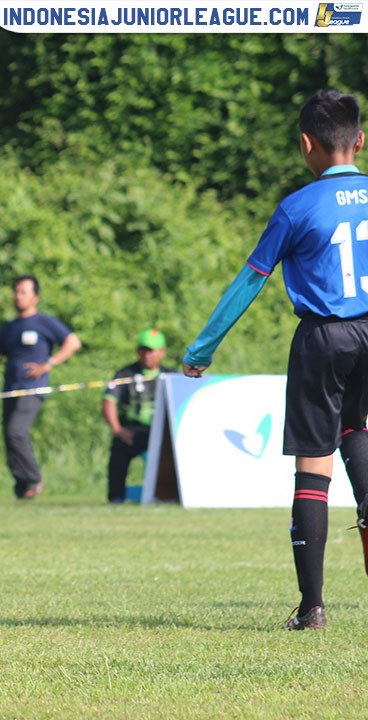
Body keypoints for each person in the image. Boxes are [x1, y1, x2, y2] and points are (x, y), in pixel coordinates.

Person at [183, 88, 368, 631]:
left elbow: (249, 283)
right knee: (358, 432)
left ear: (307, 145)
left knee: (313, 468)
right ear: (360, 141)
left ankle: (312, 608)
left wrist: (201, 349)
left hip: (323, 339)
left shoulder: (297, 207)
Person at [0, 275, 81, 499]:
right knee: (8, 436)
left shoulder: (44, 322)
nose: (17, 296)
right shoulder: (10, 328)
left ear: (35, 297)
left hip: (32, 389)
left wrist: (48, 364)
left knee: (16, 432)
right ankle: (23, 488)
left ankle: (34, 480)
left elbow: (73, 342)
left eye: (23, 292)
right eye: (16, 291)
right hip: (10, 388)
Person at [102, 328, 174, 504]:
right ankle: (116, 497)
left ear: (162, 352)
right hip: (133, 430)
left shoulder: (172, 375)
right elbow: (109, 400)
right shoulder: (125, 374)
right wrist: (117, 429)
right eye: (143, 350)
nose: (146, 355)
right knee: (119, 450)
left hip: (163, 432)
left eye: (151, 350)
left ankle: (171, 495)